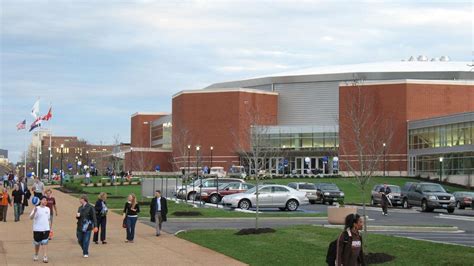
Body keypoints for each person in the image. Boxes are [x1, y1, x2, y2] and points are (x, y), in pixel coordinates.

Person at [30, 196, 50, 263]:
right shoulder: (36, 208)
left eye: (46, 200)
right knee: (37, 243)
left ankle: (45, 256)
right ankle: (36, 254)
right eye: (44, 200)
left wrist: (49, 228)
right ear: (40, 201)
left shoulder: (48, 209)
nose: (45, 201)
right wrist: (35, 212)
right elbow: (31, 218)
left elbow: (48, 219)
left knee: (45, 243)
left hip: (46, 229)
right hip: (37, 229)